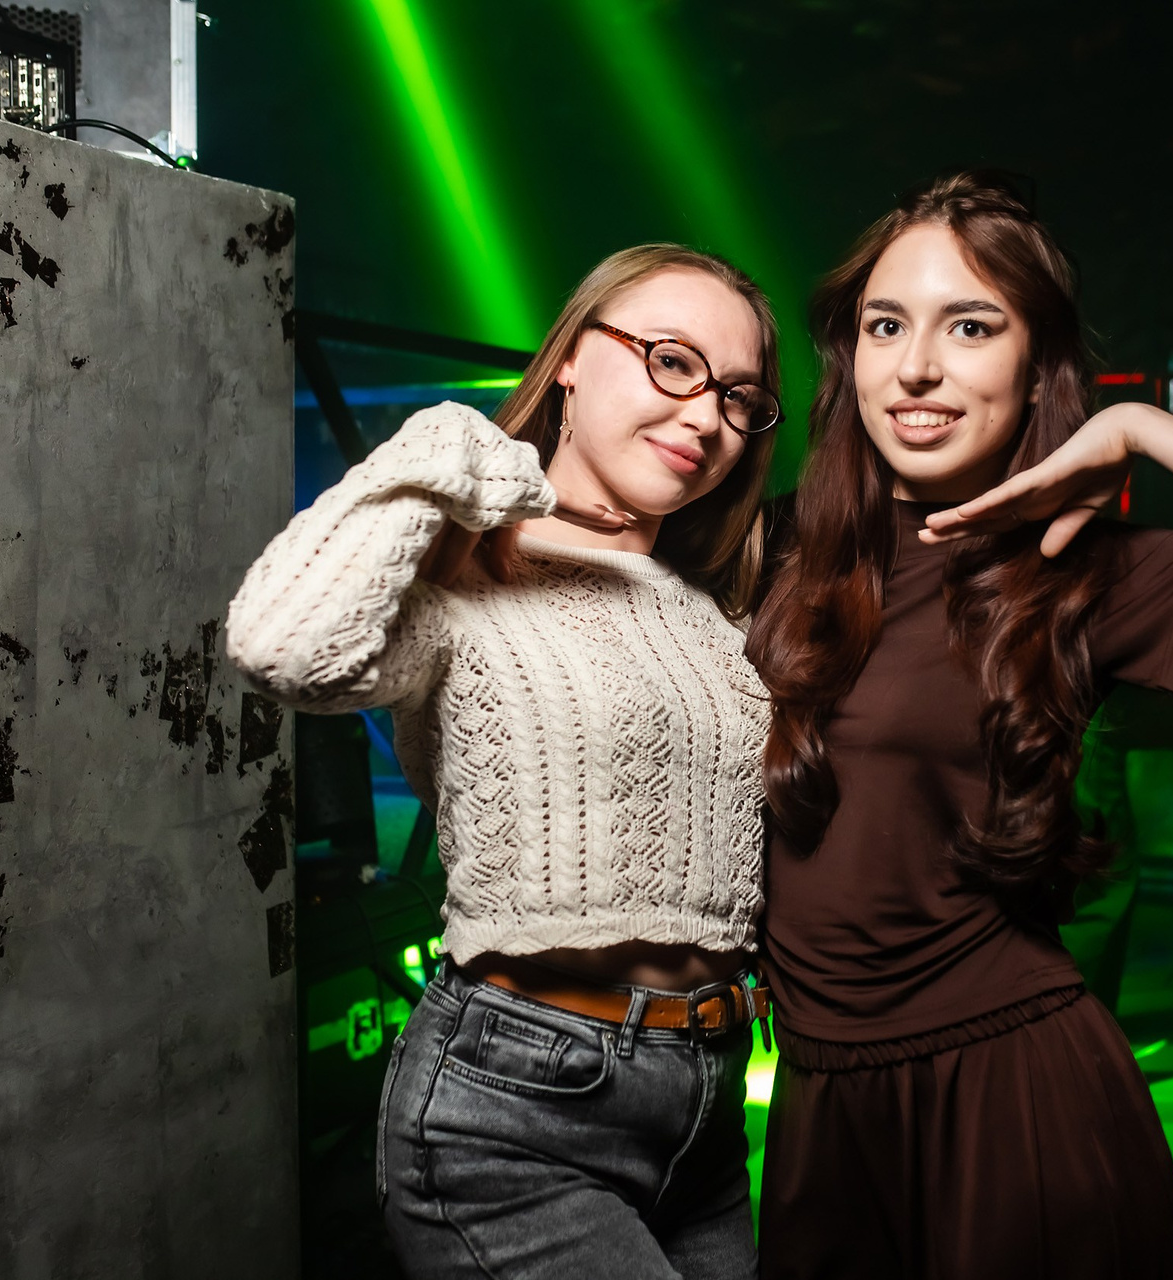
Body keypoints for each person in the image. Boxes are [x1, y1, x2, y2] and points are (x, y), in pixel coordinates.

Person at [745, 172, 1173, 1280]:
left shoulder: (1080, 571)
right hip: (822, 1101)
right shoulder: (775, 551)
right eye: (886, 325)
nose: (916, 367)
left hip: (1011, 1086)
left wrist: (1140, 429)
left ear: (1036, 370)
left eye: (971, 327)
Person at [227, 244, 784, 1280]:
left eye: (738, 396)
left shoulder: (716, 613)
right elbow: (281, 647)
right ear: (570, 357)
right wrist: (445, 449)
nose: (706, 415)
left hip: (703, 1106)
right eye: (672, 361)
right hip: (514, 1107)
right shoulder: (462, 580)